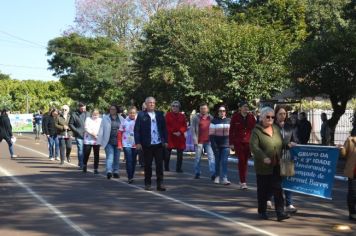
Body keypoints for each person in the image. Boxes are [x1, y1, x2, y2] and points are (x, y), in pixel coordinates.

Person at [250, 106, 290, 221]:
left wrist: (288, 144)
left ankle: (280, 212)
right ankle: (262, 211)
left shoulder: (276, 129)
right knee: (263, 189)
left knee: (278, 189)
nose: (271, 119)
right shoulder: (256, 131)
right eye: (268, 117)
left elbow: (281, 143)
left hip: (277, 164)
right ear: (262, 117)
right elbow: (254, 147)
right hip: (263, 166)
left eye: (272, 117)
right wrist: (263, 157)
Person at [134, 97, 168, 191]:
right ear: (146, 104)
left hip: (158, 144)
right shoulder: (141, 115)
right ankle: (147, 184)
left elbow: (164, 128)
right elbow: (137, 130)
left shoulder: (159, 114)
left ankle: (160, 184)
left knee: (159, 165)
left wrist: (165, 141)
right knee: (148, 165)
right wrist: (138, 142)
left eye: (153, 103)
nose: (152, 104)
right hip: (147, 144)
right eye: (150, 103)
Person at [273, 106, 298, 213]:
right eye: (280, 114)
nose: (283, 116)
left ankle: (289, 203)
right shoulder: (272, 126)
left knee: (287, 181)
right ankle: (270, 200)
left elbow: (296, 139)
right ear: (276, 114)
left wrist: (294, 143)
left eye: (284, 114)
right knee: (275, 181)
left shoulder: (290, 127)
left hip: (287, 156)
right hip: (275, 157)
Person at [229, 101, 256, 189]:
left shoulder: (251, 117)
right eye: (244, 106)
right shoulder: (235, 117)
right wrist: (231, 143)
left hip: (248, 142)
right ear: (240, 108)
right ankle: (243, 181)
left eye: (247, 107)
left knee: (245, 162)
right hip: (238, 142)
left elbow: (254, 130)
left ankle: (243, 180)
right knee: (241, 161)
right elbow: (231, 130)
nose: (246, 108)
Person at [97, 104, 124, 179]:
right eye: (111, 109)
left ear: (117, 110)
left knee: (117, 157)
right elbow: (101, 129)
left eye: (114, 109)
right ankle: (109, 171)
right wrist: (99, 141)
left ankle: (116, 171)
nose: (112, 111)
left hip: (118, 141)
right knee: (110, 157)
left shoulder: (121, 118)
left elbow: (124, 130)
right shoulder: (105, 118)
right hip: (108, 141)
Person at [191, 103, 215, 180]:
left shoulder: (211, 118)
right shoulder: (195, 118)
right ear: (200, 109)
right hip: (199, 141)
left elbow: (213, 129)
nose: (203, 110)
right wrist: (195, 140)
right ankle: (197, 173)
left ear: (207, 109)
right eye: (201, 108)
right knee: (198, 158)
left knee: (211, 158)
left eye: (204, 108)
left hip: (209, 141)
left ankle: (213, 174)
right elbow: (193, 129)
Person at [210, 105, 231, 185]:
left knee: (225, 161)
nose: (222, 112)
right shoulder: (214, 121)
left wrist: (231, 144)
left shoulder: (229, 120)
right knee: (217, 161)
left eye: (223, 111)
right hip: (216, 145)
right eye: (220, 111)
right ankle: (217, 177)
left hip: (226, 144)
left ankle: (225, 178)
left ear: (226, 112)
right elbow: (211, 135)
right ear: (218, 112)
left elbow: (232, 133)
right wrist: (213, 145)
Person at [165, 101, 187, 173]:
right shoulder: (168, 115)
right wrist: (173, 132)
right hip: (170, 136)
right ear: (171, 107)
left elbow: (185, 126)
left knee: (180, 155)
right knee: (167, 154)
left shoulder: (182, 116)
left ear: (179, 108)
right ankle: (166, 167)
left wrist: (180, 132)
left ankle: (178, 168)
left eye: (176, 106)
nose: (175, 107)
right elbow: (166, 125)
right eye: (173, 106)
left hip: (179, 137)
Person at [340, 126, 356, 221]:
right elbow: (343, 154)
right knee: (353, 193)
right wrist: (341, 148)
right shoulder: (350, 140)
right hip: (353, 171)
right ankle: (353, 213)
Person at [118, 106, 138, 183]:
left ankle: (131, 175)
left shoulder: (138, 121)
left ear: (135, 113)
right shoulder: (124, 121)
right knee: (129, 160)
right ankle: (130, 177)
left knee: (134, 161)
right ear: (128, 113)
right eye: (131, 113)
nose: (132, 114)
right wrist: (119, 144)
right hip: (126, 144)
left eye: (134, 113)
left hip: (136, 144)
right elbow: (120, 133)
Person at [69, 102, 90, 169]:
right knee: (80, 149)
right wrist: (76, 131)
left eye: (84, 107)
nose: (83, 109)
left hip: (87, 135)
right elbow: (70, 124)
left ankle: (84, 163)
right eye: (82, 108)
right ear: (79, 107)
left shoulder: (88, 114)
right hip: (78, 135)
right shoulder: (74, 114)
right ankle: (81, 164)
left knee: (85, 150)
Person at [83, 109, 102, 174]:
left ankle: (96, 168)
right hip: (88, 139)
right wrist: (92, 133)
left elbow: (102, 128)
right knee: (87, 153)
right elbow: (86, 127)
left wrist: (98, 134)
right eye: (94, 114)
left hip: (97, 139)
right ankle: (84, 165)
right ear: (92, 114)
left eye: (96, 114)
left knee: (96, 154)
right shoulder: (88, 119)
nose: (95, 116)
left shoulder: (100, 120)